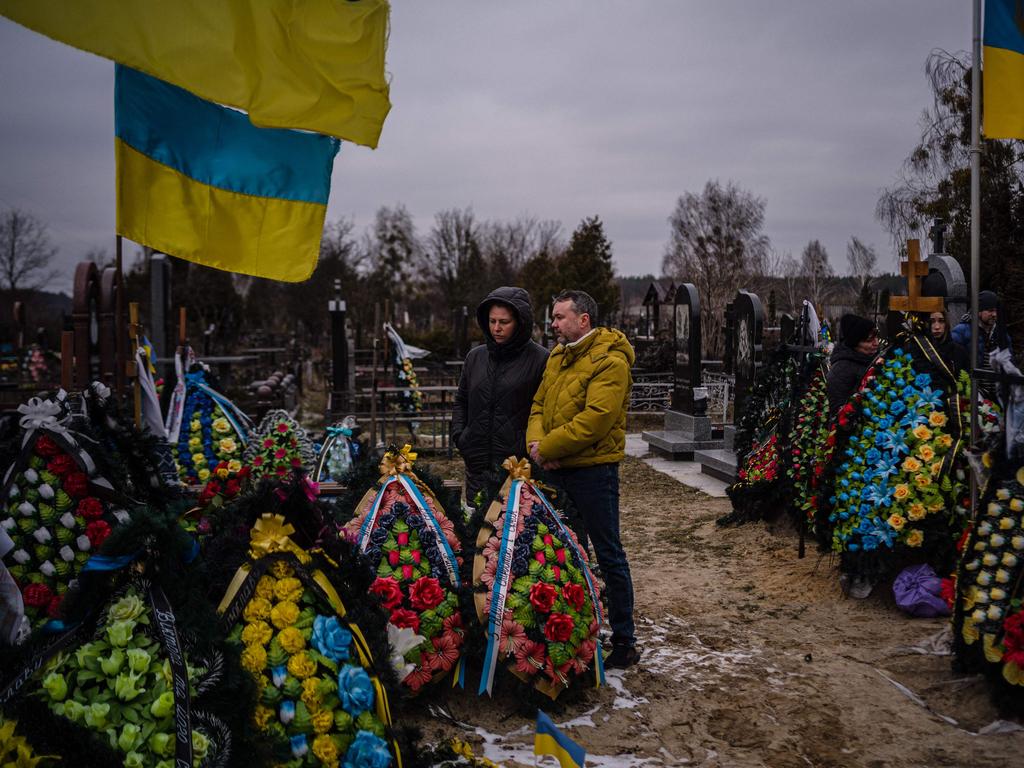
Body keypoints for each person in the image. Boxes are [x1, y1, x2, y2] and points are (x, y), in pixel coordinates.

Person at [526, 289, 639, 669]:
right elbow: (539, 405)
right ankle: (578, 627)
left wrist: (549, 449)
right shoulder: (558, 356)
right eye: (553, 317)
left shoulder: (610, 360)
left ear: (583, 319)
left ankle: (624, 640)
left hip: (593, 471)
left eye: (559, 317)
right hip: (557, 470)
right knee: (568, 553)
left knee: (609, 553)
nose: (553, 324)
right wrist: (537, 445)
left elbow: (596, 420)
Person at [452, 286, 549, 507]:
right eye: (492, 321)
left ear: (520, 322)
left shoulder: (541, 359)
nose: (496, 328)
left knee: (515, 533)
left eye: (504, 322)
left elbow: (544, 409)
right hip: (477, 463)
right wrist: (461, 436)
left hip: (517, 468)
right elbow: (462, 400)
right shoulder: (475, 357)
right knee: (476, 534)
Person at [826, 314, 880, 417]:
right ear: (855, 343)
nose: (876, 343)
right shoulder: (840, 371)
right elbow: (840, 417)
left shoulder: (871, 360)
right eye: (869, 340)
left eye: (876, 337)